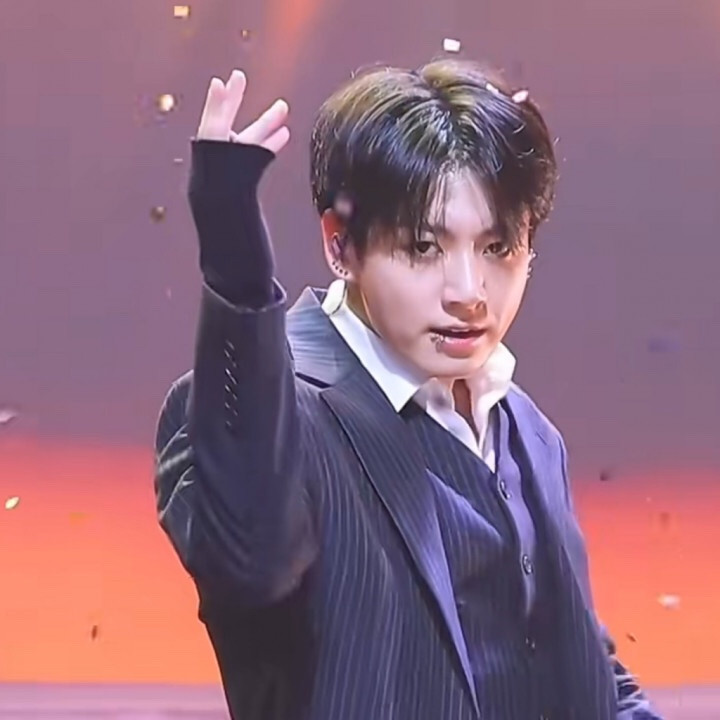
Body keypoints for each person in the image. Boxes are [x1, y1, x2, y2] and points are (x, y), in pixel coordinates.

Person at [154, 60, 662, 720]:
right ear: (341, 246)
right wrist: (237, 275)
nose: (469, 292)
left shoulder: (527, 429)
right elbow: (249, 561)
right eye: (424, 247)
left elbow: (580, 666)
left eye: (498, 248)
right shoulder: (274, 413)